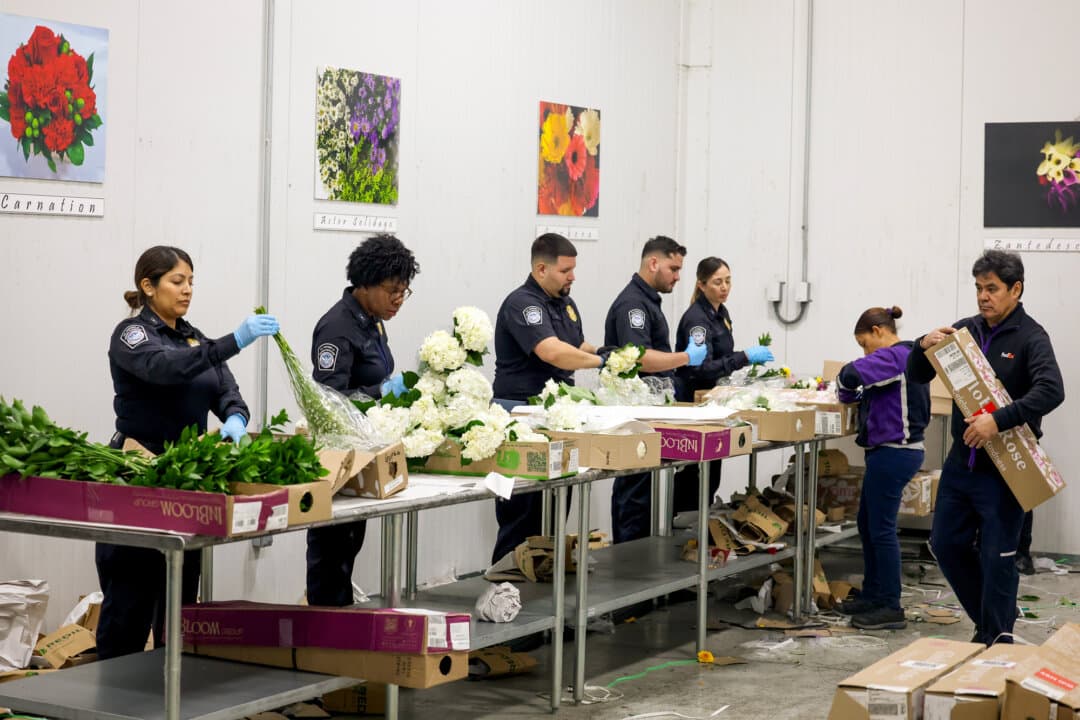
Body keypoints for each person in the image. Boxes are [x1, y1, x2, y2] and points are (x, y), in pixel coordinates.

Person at [101, 246, 278, 659]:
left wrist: (234, 419)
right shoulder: (133, 336)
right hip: (138, 475)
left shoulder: (192, 336)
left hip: (188, 479)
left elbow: (227, 392)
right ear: (148, 286)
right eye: (177, 282)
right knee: (130, 598)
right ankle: (112, 694)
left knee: (179, 599)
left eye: (191, 282)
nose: (187, 291)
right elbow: (166, 371)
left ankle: (170, 694)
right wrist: (234, 340)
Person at [908, 249, 1064, 645]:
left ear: (1016, 289)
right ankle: (992, 620)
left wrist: (999, 419)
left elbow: (1052, 390)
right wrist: (920, 344)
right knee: (945, 543)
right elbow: (918, 373)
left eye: (992, 288)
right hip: (963, 464)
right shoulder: (966, 333)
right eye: (978, 288)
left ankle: (995, 638)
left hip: (1005, 469)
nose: (983, 296)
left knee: (998, 559)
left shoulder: (1031, 337)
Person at [306, 234, 419, 606]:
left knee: (351, 545)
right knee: (332, 553)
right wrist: (380, 394)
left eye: (404, 291)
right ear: (364, 284)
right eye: (392, 291)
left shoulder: (373, 321)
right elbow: (327, 400)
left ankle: (338, 619)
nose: (399, 300)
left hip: (363, 451)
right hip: (338, 456)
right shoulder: (338, 328)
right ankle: (324, 626)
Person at [491, 233, 604, 563]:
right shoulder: (522, 304)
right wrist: (601, 362)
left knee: (555, 512)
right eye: (565, 270)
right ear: (541, 269)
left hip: (555, 418)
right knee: (521, 516)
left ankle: (542, 594)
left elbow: (575, 344)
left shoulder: (565, 303)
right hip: (521, 420)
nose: (573, 277)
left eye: (573, 269)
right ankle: (501, 588)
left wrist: (606, 352)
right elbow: (552, 351)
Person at [604, 236, 707, 543]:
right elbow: (640, 358)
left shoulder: (648, 301)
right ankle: (628, 565)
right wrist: (686, 357)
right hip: (635, 414)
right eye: (673, 268)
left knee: (645, 492)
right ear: (653, 263)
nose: (678, 276)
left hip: (650, 409)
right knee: (634, 493)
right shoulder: (633, 305)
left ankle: (641, 566)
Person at [834, 306, 929, 631]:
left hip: (895, 452)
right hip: (889, 452)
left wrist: (845, 391)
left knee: (882, 529)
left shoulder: (899, 356)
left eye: (864, 343)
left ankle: (890, 605)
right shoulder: (901, 358)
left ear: (878, 330)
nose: (864, 351)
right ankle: (874, 594)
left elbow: (850, 374)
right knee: (869, 524)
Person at [671, 257, 773, 516]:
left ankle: (702, 524)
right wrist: (744, 357)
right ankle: (685, 524)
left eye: (728, 281)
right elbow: (700, 368)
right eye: (717, 282)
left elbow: (720, 359)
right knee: (693, 475)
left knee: (712, 469)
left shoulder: (721, 313)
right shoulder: (697, 320)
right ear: (702, 284)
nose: (724, 287)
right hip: (694, 403)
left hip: (712, 402)